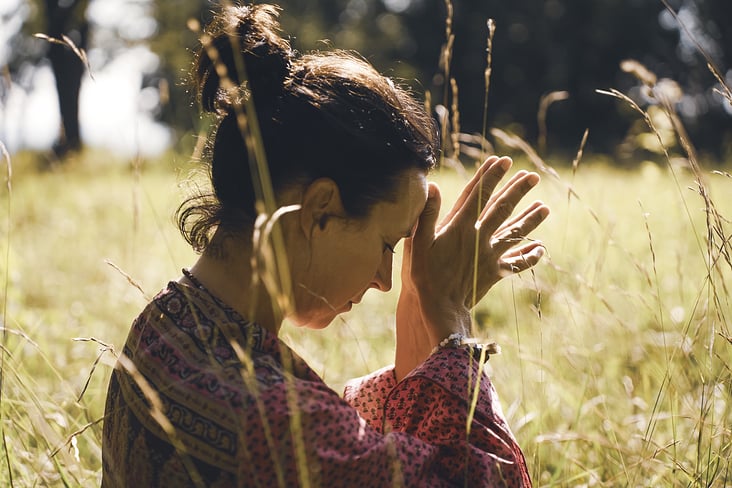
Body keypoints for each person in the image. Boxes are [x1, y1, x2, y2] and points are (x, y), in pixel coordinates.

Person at [101, 3, 550, 487]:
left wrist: (422, 344)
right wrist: (452, 327)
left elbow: (353, 456)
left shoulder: (163, 327)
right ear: (319, 209)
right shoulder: (274, 420)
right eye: (385, 243)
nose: (384, 279)